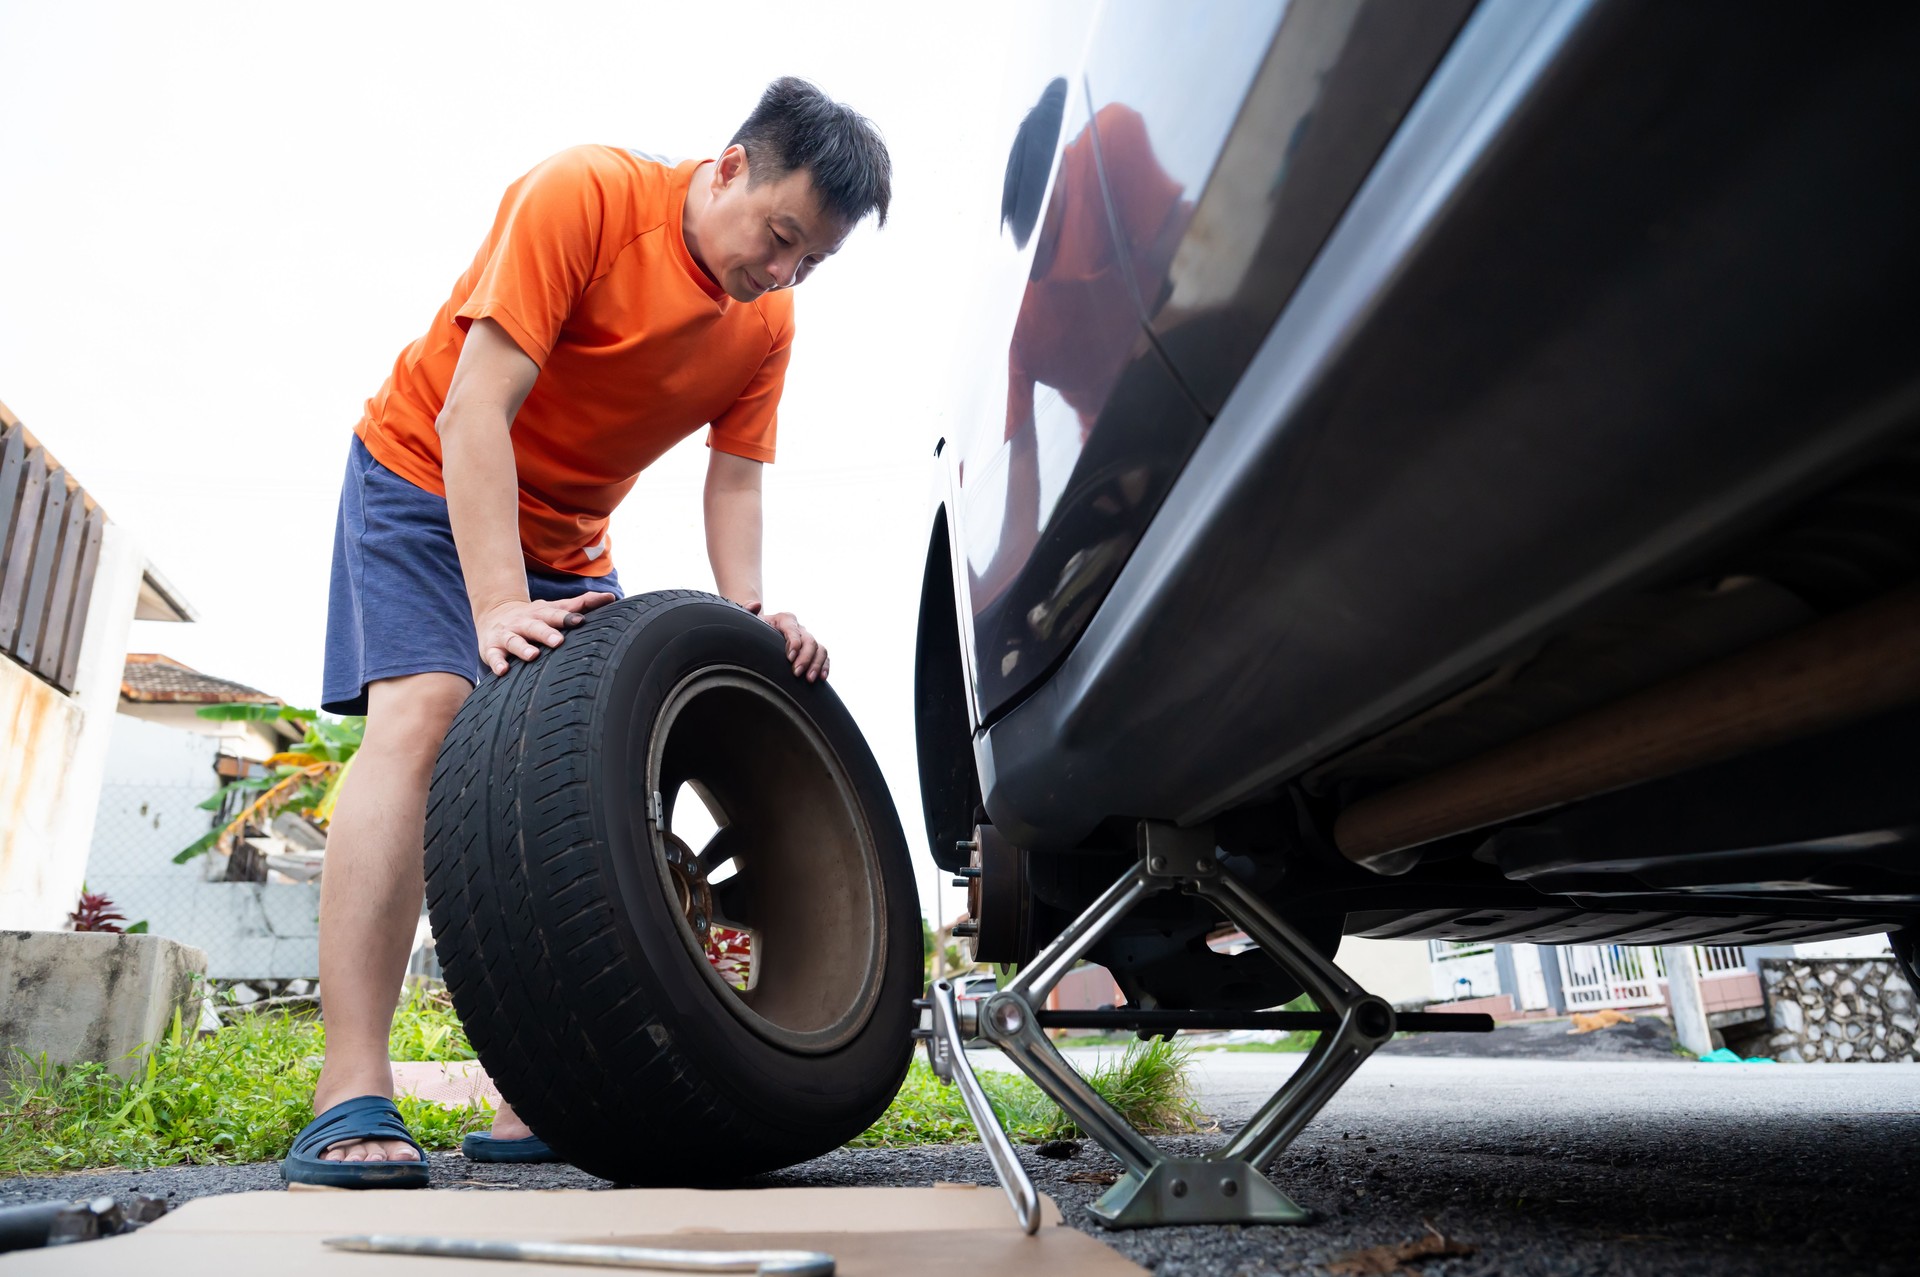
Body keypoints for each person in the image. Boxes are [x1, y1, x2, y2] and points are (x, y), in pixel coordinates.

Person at [282, 78, 892, 1188]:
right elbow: (476, 409)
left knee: (583, 787)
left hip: (568, 532)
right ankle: (351, 1084)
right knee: (427, 715)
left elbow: (738, 482)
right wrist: (495, 605)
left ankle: (542, 1080)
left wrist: (754, 617)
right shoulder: (586, 197)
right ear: (727, 169)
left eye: (812, 261)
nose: (783, 271)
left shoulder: (768, 318)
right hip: (426, 477)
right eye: (781, 236)